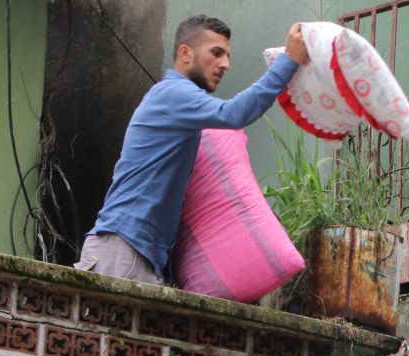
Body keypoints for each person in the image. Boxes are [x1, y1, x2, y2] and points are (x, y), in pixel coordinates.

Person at [77, 16, 308, 286]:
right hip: (122, 250)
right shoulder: (173, 94)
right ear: (185, 53)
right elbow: (233, 113)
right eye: (216, 53)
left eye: (227, 55)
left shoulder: (183, 108)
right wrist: (288, 61)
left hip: (139, 255)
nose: (226, 64)